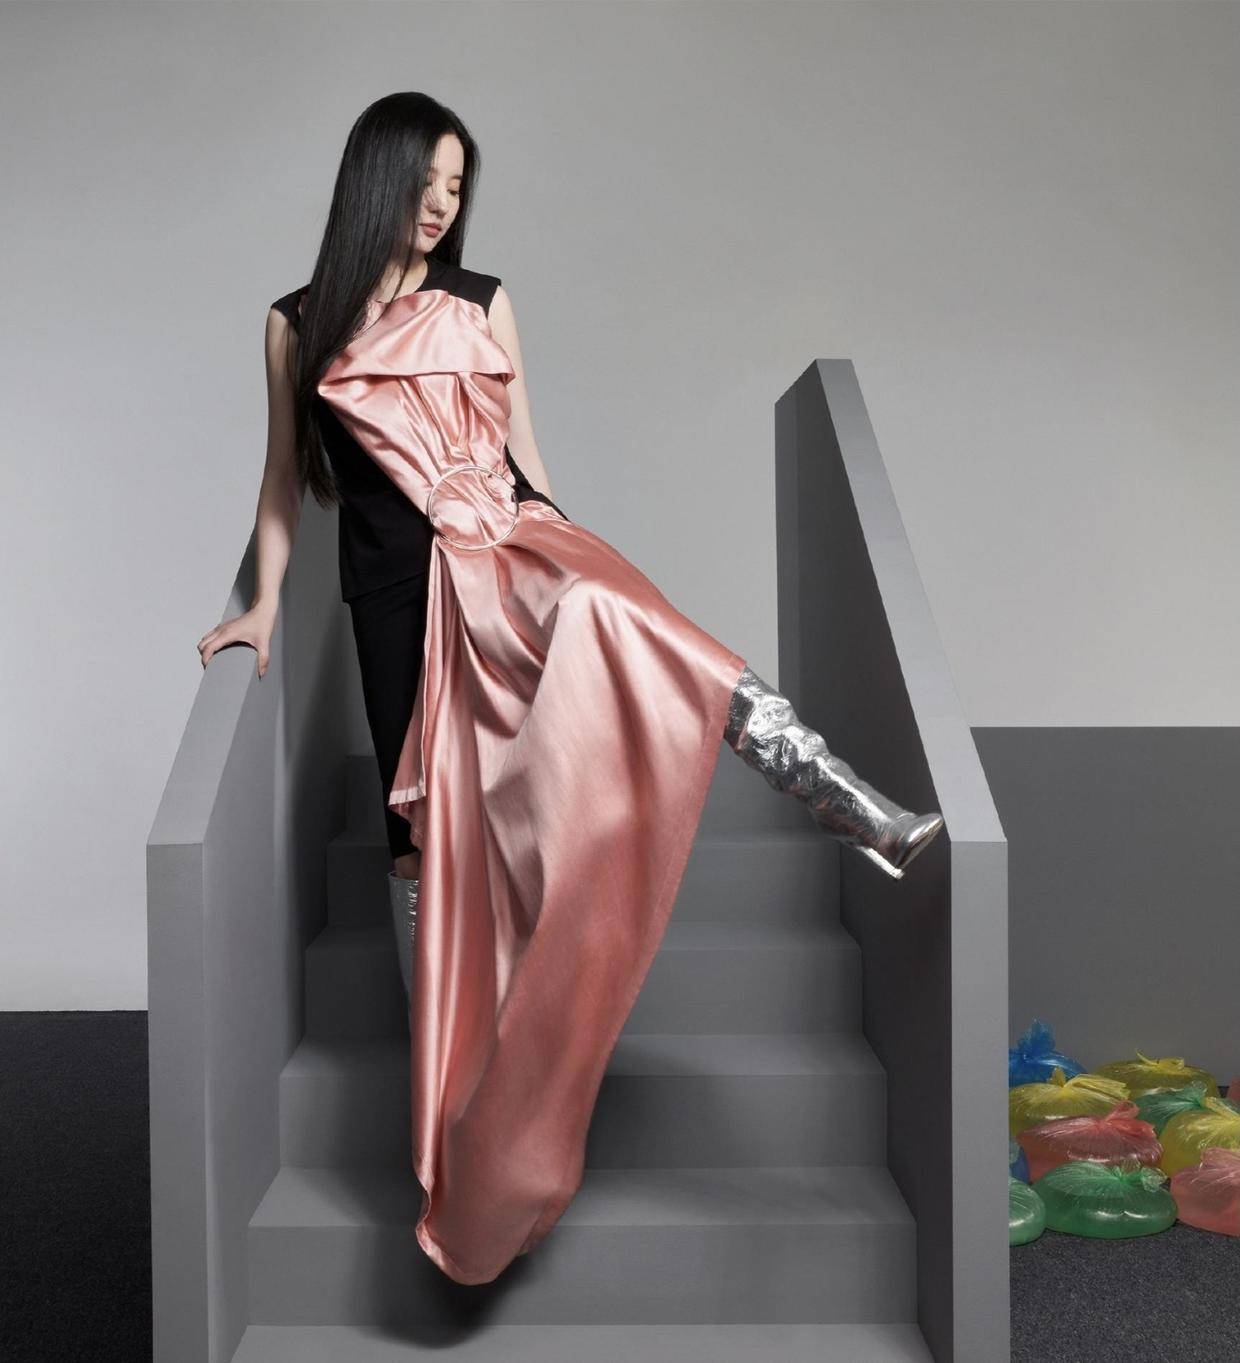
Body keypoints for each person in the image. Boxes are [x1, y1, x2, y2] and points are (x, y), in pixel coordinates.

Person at [196, 92, 944, 1286]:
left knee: (657, 640)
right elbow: (283, 481)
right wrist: (261, 607)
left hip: (512, 548)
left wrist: (574, 553)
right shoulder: (297, 324)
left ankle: (845, 800)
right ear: (377, 178)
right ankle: (458, 1134)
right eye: (428, 182)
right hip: (396, 599)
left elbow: (525, 456)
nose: (443, 205)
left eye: (458, 186)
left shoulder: (483, 299)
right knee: (421, 847)